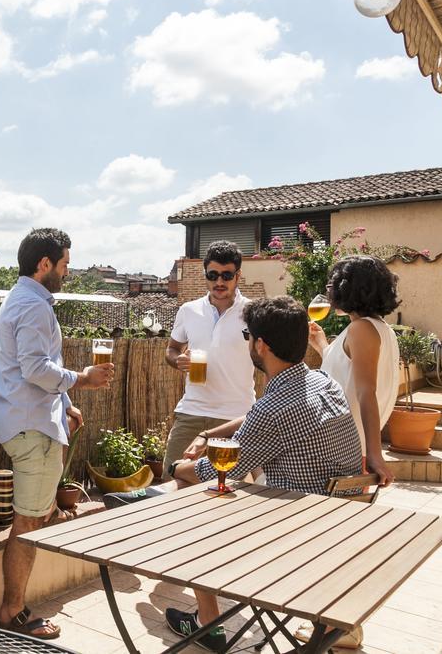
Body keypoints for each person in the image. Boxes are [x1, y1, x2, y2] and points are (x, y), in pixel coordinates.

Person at [166, 296, 361, 653]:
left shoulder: (274, 410)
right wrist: (209, 434)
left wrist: (174, 468)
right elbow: (259, 416)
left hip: (291, 542)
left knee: (194, 506)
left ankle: (208, 624)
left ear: (261, 345)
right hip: (336, 531)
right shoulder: (324, 384)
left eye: (248, 336)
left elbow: (217, 470)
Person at [0, 228, 113, 640]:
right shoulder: (35, 307)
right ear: (45, 264)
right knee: (28, 523)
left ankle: (14, 605)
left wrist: (64, 406)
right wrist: (84, 379)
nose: (67, 272)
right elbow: (35, 369)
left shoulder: (19, 297)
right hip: (32, 430)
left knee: (35, 515)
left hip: (30, 420)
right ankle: (12, 612)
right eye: (64, 265)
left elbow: (27, 372)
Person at [163, 241, 256, 478]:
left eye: (226, 275)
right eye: (213, 275)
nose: (219, 282)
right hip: (192, 410)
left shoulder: (254, 312)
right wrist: (178, 361)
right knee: (169, 483)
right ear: (205, 274)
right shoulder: (189, 310)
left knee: (232, 491)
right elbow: (171, 349)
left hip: (235, 417)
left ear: (238, 276)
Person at [309, 255, 400, 486]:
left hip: (346, 448)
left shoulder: (361, 329)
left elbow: (366, 392)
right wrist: (321, 344)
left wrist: (374, 454)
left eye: (332, 285)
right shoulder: (379, 329)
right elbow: (346, 373)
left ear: (347, 289)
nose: (330, 293)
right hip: (345, 444)